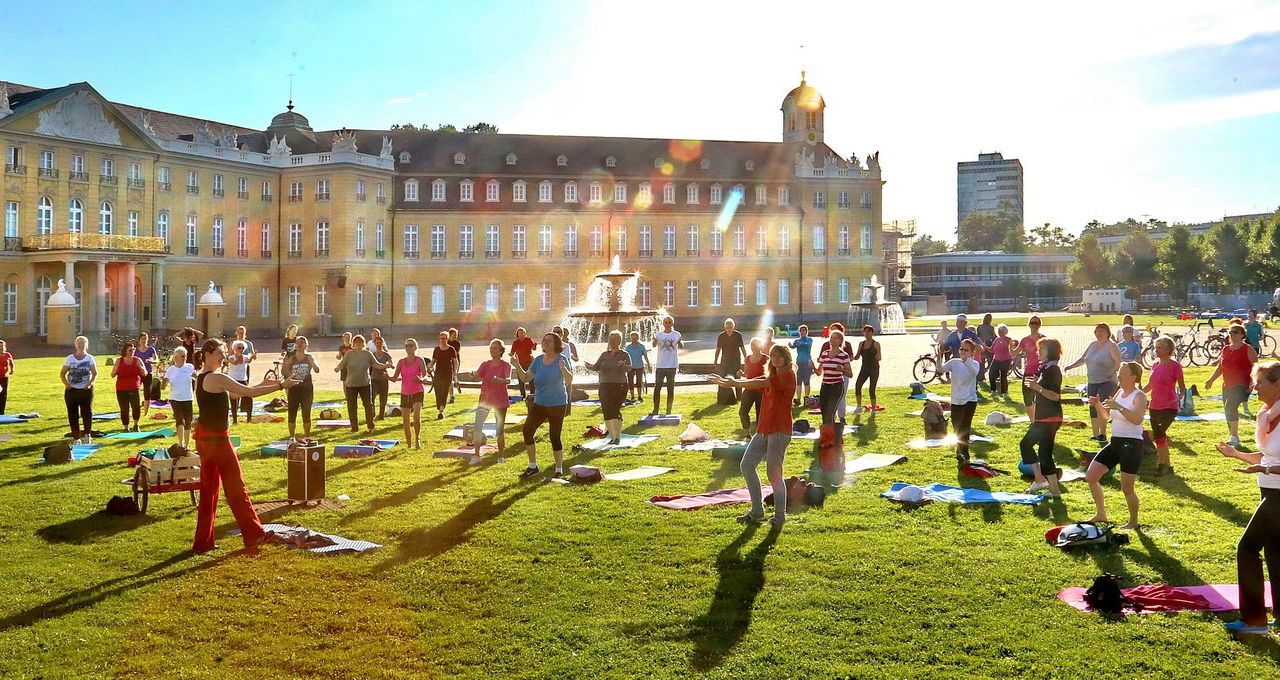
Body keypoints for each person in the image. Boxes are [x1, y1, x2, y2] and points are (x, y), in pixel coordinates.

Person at [191, 337, 296, 553]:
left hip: (207, 442)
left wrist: (273, 383)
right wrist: (279, 386)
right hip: (218, 442)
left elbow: (239, 391)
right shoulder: (217, 377)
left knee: (209, 493)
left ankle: (203, 542)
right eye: (220, 352)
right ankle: (254, 535)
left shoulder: (204, 378)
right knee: (237, 489)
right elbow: (249, 393)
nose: (224, 356)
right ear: (208, 354)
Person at [1215, 361, 1280, 635]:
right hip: (1269, 488)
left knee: (1247, 547)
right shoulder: (1267, 414)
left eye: (1260, 382)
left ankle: (1255, 619)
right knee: (1276, 553)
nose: (1255, 388)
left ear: (1277, 385)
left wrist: (1264, 467)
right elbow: (1268, 456)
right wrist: (1238, 455)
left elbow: (1269, 463)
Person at [712, 344, 796, 527]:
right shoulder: (771, 376)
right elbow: (753, 380)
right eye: (773, 355)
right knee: (747, 465)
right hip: (764, 429)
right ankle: (757, 511)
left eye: (779, 355)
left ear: (786, 358)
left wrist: (734, 383)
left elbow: (760, 383)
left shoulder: (788, 375)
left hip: (779, 431)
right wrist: (730, 381)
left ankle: (779, 516)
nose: (776, 358)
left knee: (774, 473)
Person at [1085, 361, 1147, 529]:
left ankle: (1133, 522)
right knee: (1091, 477)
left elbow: (1137, 419)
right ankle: (1101, 514)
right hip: (1116, 442)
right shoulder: (1119, 392)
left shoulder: (1139, 395)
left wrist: (1118, 407)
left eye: (1122, 372)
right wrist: (1096, 404)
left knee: (1127, 488)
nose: (1118, 375)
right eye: (1119, 372)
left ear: (1133, 376)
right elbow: (1107, 416)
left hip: (1132, 444)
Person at [513, 332, 573, 478]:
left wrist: (563, 369)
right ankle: (533, 467)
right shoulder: (538, 360)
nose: (545, 343)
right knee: (527, 431)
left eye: (549, 341)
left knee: (554, 436)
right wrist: (517, 365)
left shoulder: (562, 359)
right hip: (540, 402)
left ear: (556, 345)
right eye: (544, 340)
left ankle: (558, 469)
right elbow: (526, 378)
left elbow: (570, 380)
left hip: (557, 403)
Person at [1064, 322, 1123, 443]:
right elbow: (1083, 359)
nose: (1099, 333)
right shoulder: (1092, 345)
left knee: (1100, 406)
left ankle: (1103, 434)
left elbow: (1118, 362)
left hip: (1107, 381)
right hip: (1092, 381)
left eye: (1102, 331)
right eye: (1097, 331)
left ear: (1107, 333)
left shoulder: (1111, 346)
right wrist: (1070, 366)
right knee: (1092, 407)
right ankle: (1095, 434)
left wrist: (1112, 373)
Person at [1020, 337, 1064, 498]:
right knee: (1042, 452)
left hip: (1049, 418)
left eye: (1042, 349)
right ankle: (1051, 488)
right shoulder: (1046, 368)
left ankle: (1045, 483)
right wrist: (1035, 385)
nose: (1038, 352)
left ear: (1050, 352)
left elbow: (1055, 396)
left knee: (1028, 445)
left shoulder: (1053, 370)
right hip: (1045, 417)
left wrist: (1037, 387)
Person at [1206, 323, 1258, 448]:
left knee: (1230, 406)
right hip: (1227, 385)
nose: (1232, 334)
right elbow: (1220, 367)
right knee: (1228, 410)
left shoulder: (1248, 349)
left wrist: (1253, 382)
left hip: (1242, 384)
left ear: (1242, 334)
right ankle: (1233, 436)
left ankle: (1234, 437)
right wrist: (1211, 380)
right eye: (1231, 332)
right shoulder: (1226, 349)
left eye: (1236, 332)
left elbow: (1256, 367)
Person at [1142, 336, 1185, 477]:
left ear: (1168, 350)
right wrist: (1137, 393)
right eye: (1156, 347)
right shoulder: (1155, 365)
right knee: (1160, 436)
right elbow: (1150, 385)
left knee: (1159, 434)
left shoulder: (1175, 366)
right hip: (1154, 405)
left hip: (1169, 406)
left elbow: (1182, 387)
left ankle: (1161, 465)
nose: (1156, 350)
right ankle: (1167, 464)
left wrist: (1179, 396)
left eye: (1159, 347)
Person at [334, 334, 389, 433]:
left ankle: (371, 426)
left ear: (364, 343)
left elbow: (376, 364)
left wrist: (386, 365)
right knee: (352, 407)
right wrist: (337, 368)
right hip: (351, 384)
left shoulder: (367, 354)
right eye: (357, 342)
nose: (359, 344)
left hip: (365, 384)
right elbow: (341, 364)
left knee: (368, 405)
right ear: (353, 344)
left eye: (361, 342)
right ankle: (354, 427)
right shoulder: (349, 354)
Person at [586, 330, 631, 444]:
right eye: (610, 339)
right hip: (605, 385)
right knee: (606, 410)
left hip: (619, 385)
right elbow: (596, 367)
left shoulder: (624, 354)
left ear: (619, 341)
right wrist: (589, 366)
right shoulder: (604, 355)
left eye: (614, 339)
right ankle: (612, 437)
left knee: (615, 410)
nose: (611, 342)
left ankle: (618, 437)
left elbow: (629, 368)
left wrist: (623, 366)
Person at [472, 338, 512, 464]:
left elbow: (509, 380)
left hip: (500, 401)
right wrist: (474, 375)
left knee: (499, 429)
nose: (492, 351)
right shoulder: (485, 364)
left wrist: (500, 380)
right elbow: (477, 376)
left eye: (495, 348)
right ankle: (477, 455)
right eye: (491, 348)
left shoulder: (506, 365)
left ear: (501, 351)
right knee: (477, 427)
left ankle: (500, 456)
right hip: (485, 400)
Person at [941, 338, 982, 464]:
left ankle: (964, 454)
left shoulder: (974, 364)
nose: (963, 352)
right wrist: (939, 356)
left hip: (969, 400)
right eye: (961, 349)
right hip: (956, 400)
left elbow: (974, 372)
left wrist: (967, 361)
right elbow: (941, 369)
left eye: (966, 350)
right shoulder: (954, 362)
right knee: (957, 428)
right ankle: (961, 453)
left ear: (972, 353)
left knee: (965, 427)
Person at [390, 338, 428, 449]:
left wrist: (421, 379)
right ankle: (409, 444)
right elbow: (394, 377)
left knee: (416, 417)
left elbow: (426, 376)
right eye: (406, 346)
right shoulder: (401, 362)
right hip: (405, 392)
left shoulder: (419, 360)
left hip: (417, 391)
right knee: (405, 420)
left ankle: (417, 439)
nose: (408, 348)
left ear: (415, 347)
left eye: (411, 345)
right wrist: (386, 376)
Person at [60, 336, 97, 445]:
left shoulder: (89, 358)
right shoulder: (70, 358)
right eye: (79, 343)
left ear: (87, 345)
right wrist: (67, 384)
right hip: (72, 391)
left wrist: (89, 384)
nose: (80, 345)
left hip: (85, 391)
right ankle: (76, 438)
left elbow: (95, 374)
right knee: (73, 414)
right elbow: (62, 373)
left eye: (83, 343)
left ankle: (87, 435)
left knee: (86, 413)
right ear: (76, 345)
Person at [282, 336, 319, 441]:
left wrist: (311, 361)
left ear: (306, 345)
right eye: (297, 342)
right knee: (292, 411)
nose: (299, 344)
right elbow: (284, 372)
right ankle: (292, 437)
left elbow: (317, 370)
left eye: (302, 342)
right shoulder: (292, 358)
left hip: (307, 388)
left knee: (306, 412)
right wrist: (285, 364)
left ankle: (307, 436)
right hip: (294, 388)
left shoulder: (309, 357)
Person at [815, 328, 853, 427]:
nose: (832, 340)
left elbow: (850, 374)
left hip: (836, 386)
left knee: (830, 411)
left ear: (840, 341)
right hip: (825, 386)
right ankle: (826, 436)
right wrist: (812, 366)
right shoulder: (825, 354)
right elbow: (819, 372)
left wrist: (842, 370)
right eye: (831, 337)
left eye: (835, 338)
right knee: (824, 411)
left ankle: (831, 436)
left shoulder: (843, 355)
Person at [1012, 316, 1045, 421]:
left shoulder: (1044, 339)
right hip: (1028, 371)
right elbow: (1014, 353)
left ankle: (1040, 418)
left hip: (1040, 371)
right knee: (1027, 397)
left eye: (1036, 323)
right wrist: (1009, 345)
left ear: (1039, 325)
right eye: (1032, 323)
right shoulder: (1025, 340)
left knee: (1040, 396)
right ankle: (1032, 420)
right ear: (1029, 325)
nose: (1034, 325)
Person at [162, 347, 196, 450]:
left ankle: (187, 445)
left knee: (188, 421)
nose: (184, 358)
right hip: (175, 398)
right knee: (179, 420)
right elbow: (163, 387)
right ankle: (181, 444)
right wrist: (163, 382)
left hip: (187, 397)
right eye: (182, 356)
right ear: (176, 357)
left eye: (185, 356)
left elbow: (197, 377)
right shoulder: (171, 370)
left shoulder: (189, 367)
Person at [111, 342, 146, 432]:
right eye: (130, 350)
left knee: (135, 407)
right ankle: (126, 427)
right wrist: (114, 371)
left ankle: (136, 424)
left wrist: (142, 369)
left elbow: (145, 373)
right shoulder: (119, 361)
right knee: (124, 408)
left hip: (134, 387)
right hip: (121, 388)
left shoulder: (137, 360)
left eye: (133, 350)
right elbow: (112, 375)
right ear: (125, 351)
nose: (132, 351)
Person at [651, 315, 683, 416]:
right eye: (666, 322)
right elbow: (654, 345)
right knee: (657, 388)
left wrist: (680, 342)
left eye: (669, 322)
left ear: (672, 323)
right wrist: (655, 341)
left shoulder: (676, 334)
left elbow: (681, 345)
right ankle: (655, 410)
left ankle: (668, 411)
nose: (668, 324)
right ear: (663, 324)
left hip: (672, 365)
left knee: (670, 388)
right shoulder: (659, 335)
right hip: (661, 365)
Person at [737, 337, 768, 432]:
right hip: (749, 389)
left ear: (761, 346)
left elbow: (770, 374)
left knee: (760, 414)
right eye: (752, 345)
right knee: (743, 412)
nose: (754, 347)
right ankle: (747, 433)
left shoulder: (766, 358)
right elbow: (747, 373)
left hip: (761, 390)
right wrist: (741, 374)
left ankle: (760, 434)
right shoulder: (747, 359)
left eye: (757, 345)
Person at [714, 318, 747, 404]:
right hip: (725, 359)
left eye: (730, 327)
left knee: (737, 376)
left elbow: (742, 347)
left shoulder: (737, 335)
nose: (729, 328)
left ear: (733, 327)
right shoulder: (721, 336)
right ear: (725, 327)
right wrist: (715, 360)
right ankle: (721, 397)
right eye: (727, 327)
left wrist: (746, 358)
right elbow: (718, 349)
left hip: (736, 359)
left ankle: (739, 397)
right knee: (722, 376)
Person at [429, 331, 459, 420]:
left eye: (444, 338)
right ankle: (439, 407)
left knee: (445, 390)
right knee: (438, 390)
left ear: (447, 339)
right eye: (441, 338)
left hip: (448, 373)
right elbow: (433, 361)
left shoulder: (451, 349)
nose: (442, 340)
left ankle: (441, 411)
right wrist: (429, 367)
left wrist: (455, 370)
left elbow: (455, 361)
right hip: (438, 373)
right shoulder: (436, 349)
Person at [852, 325, 881, 413]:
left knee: (872, 389)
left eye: (869, 331)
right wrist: (850, 357)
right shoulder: (861, 344)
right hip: (864, 368)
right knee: (858, 385)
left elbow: (880, 357)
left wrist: (877, 356)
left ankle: (873, 409)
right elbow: (857, 356)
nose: (867, 333)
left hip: (874, 368)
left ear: (872, 333)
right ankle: (859, 406)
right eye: (865, 331)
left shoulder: (876, 344)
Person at [225, 340, 253, 424]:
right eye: (239, 348)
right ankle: (235, 419)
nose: (241, 350)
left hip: (243, 379)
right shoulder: (231, 357)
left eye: (242, 348)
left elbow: (248, 361)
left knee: (249, 397)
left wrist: (252, 357)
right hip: (233, 379)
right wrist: (239, 358)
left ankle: (249, 419)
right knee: (234, 400)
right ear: (235, 349)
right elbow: (235, 363)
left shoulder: (245, 357)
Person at [134, 332, 158, 416]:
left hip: (148, 373)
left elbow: (156, 360)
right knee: (136, 391)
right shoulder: (136, 350)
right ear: (139, 340)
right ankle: (136, 409)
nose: (144, 341)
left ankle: (146, 412)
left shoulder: (151, 349)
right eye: (142, 339)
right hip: (138, 374)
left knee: (147, 392)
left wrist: (152, 361)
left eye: (145, 339)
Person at [370, 335, 393, 420]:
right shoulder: (372, 355)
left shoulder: (386, 355)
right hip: (374, 378)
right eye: (377, 343)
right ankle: (372, 414)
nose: (379, 344)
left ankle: (381, 415)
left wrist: (391, 365)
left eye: (380, 343)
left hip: (384, 378)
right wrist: (385, 365)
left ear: (383, 344)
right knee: (372, 397)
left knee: (383, 397)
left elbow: (391, 363)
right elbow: (373, 365)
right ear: (374, 344)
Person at [989, 324, 1014, 399]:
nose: (1000, 332)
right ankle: (994, 391)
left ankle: (1004, 392)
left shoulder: (1009, 339)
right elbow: (991, 349)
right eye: (999, 331)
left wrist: (1006, 345)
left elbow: (1011, 350)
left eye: (1001, 331)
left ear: (1005, 332)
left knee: (1003, 376)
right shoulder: (997, 339)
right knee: (991, 374)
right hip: (996, 359)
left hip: (1006, 360)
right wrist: (983, 345)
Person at [790, 325, 814, 406]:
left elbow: (808, 345)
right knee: (799, 380)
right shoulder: (797, 340)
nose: (802, 332)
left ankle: (807, 398)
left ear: (807, 332)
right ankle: (798, 398)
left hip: (807, 361)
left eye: (804, 330)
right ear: (799, 332)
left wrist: (802, 343)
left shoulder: (809, 339)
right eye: (801, 331)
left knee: (807, 380)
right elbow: (793, 346)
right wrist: (790, 345)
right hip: (799, 361)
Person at [511, 327, 537, 399]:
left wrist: (534, 345)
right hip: (520, 363)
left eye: (522, 333)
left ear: (525, 334)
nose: (521, 334)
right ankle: (522, 395)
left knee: (531, 380)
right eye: (519, 333)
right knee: (521, 381)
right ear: (517, 334)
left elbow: (533, 348)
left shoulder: (528, 340)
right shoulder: (515, 343)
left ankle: (532, 394)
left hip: (529, 362)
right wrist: (511, 355)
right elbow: (512, 351)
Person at [625, 331, 650, 401]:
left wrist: (648, 364)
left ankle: (639, 395)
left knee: (639, 381)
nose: (634, 340)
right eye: (632, 338)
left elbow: (645, 356)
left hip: (639, 366)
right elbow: (626, 357)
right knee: (630, 381)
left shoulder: (641, 347)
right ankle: (632, 396)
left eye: (635, 338)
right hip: (630, 367)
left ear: (638, 338)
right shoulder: (628, 347)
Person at [976, 313, 997, 389]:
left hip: (981, 343)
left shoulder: (979, 326)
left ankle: (980, 376)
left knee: (981, 361)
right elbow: (994, 336)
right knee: (990, 361)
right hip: (989, 343)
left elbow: (977, 335)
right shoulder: (991, 327)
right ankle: (992, 375)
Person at [448, 328, 464, 403]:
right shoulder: (446, 342)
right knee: (449, 379)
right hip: (447, 362)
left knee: (452, 377)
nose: (455, 336)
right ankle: (451, 394)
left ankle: (452, 394)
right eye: (454, 335)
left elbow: (456, 352)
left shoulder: (457, 343)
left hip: (455, 362)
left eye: (456, 335)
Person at [0, 339, 13, 415]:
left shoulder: (8, 354)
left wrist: (12, 369)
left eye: (2, 346)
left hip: (4, 377)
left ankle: (2, 412)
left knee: (3, 395)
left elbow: (11, 364)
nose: (1, 348)